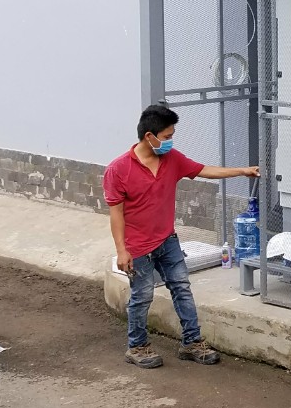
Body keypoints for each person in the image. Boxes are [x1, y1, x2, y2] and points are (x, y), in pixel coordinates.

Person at [104, 103, 260, 369]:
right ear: (149, 136)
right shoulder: (118, 170)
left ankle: (192, 342)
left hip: (168, 241)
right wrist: (122, 250)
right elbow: (116, 214)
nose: (170, 141)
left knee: (182, 289)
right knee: (142, 296)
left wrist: (242, 171)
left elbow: (204, 170)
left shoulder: (172, 160)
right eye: (167, 136)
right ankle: (137, 346)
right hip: (138, 248)